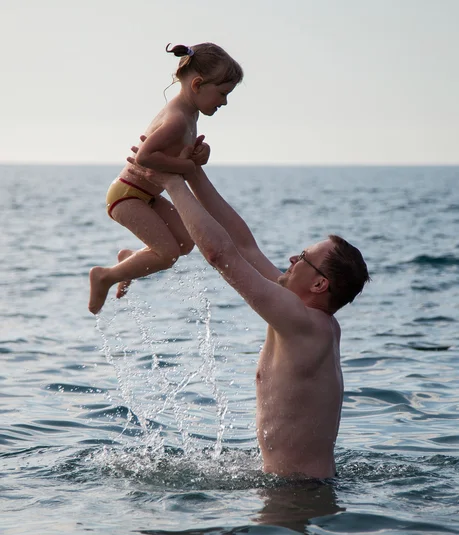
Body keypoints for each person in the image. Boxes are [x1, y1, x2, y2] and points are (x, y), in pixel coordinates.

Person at [127, 140, 370, 480]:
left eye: (303, 258)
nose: (291, 259)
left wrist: (171, 183)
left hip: (297, 497)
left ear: (319, 285)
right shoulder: (306, 317)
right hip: (301, 488)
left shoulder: (304, 324)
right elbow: (243, 246)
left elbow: (220, 256)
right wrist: (194, 173)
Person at [88, 43, 243, 314]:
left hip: (147, 194)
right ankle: (105, 276)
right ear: (197, 84)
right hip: (127, 195)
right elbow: (144, 157)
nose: (225, 101)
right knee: (167, 253)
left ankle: (129, 261)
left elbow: (173, 153)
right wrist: (186, 165)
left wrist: (199, 154)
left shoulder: (189, 113)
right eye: (222, 93)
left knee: (185, 241)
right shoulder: (178, 119)